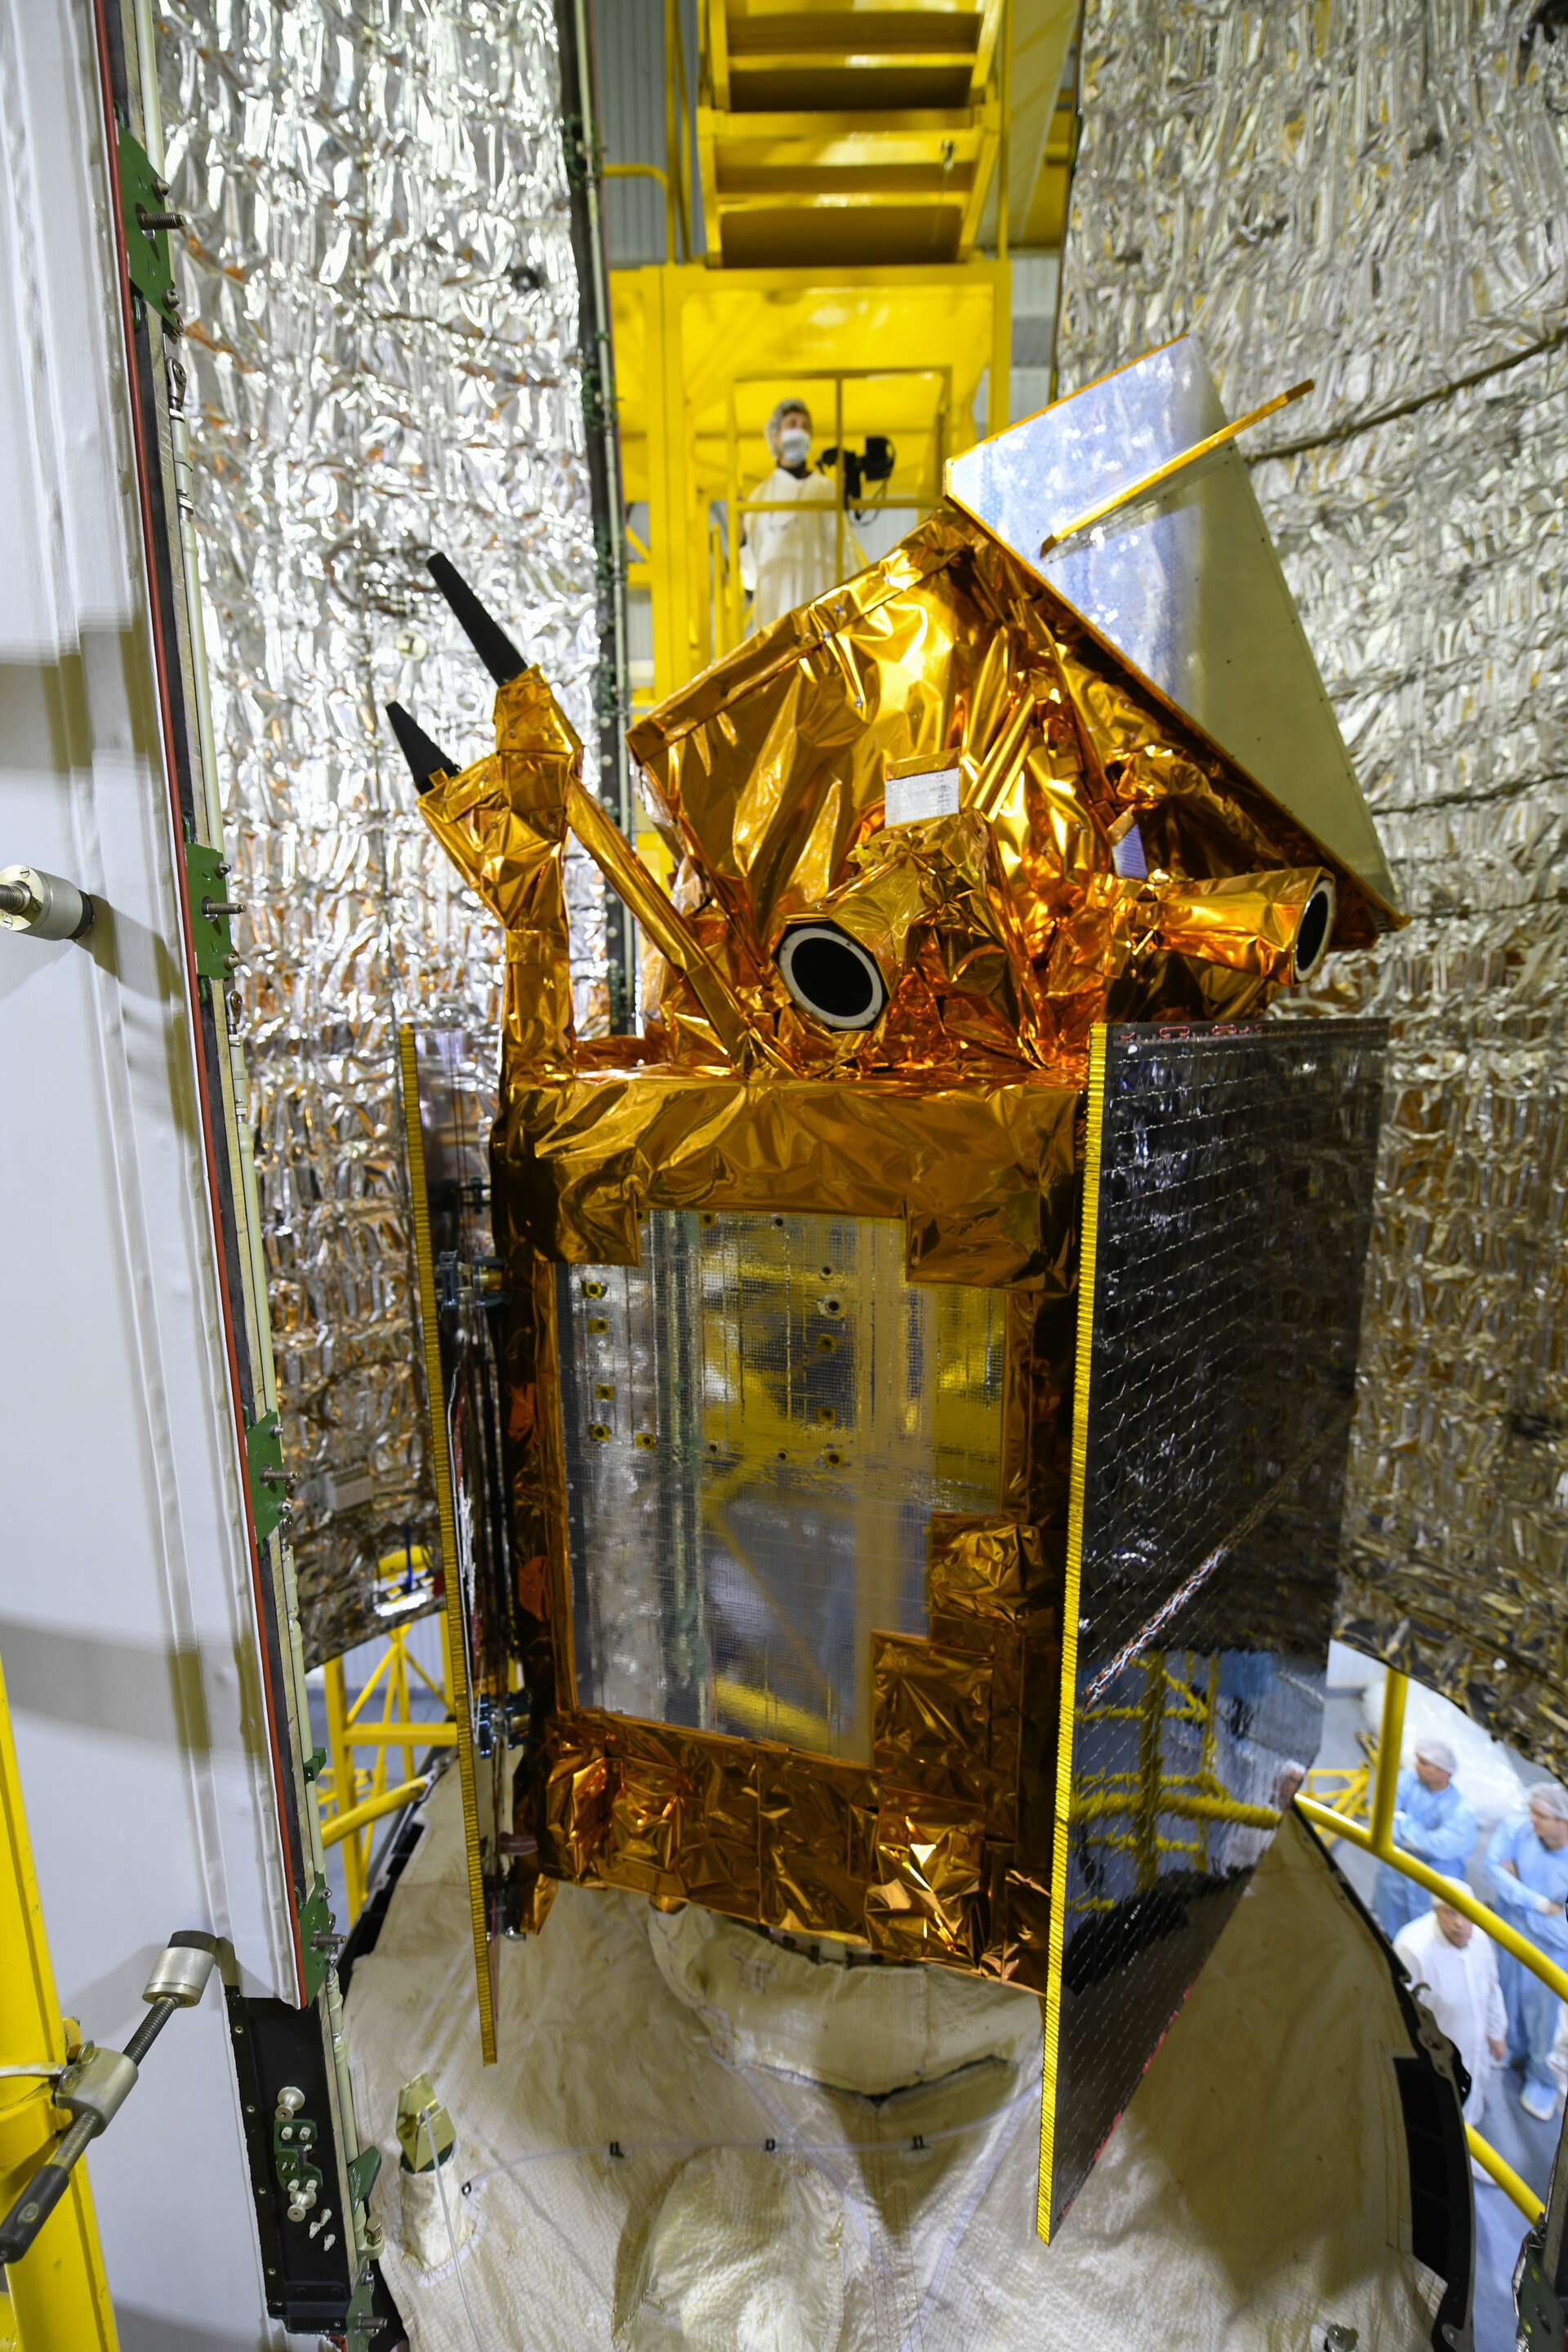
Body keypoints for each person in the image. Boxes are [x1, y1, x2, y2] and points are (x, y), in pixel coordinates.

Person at [1393, 1889, 1507, 2139]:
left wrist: (1496, 2033)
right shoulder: (1413, 1948)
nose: (1459, 1923)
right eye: (1449, 1912)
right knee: (1437, 2117)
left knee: (1470, 2102)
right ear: (1435, 1911)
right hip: (1437, 2061)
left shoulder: (1481, 1939)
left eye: (1466, 1914)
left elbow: (1491, 1988)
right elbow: (1396, 2014)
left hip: (1475, 2052)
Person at [1487, 1781, 1568, 2120]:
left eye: (1541, 1815)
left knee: (1544, 2020)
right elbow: (1492, 1868)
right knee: (1507, 1996)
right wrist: (1538, 1903)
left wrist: (1516, 1892)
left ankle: (1543, 2081)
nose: (1531, 1819)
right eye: (1532, 1811)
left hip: (1552, 1955)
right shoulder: (1518, 1829)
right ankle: (1512, 2048)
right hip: (1511, 1937)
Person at [739, 398, 838, 632]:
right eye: (792, 424)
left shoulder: (826, 490)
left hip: (820, 617)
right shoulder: (760, 498)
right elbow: (750, 577)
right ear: (776, 436)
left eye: (805, 426)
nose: (799, 430)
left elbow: (846, 555)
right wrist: (741, 534)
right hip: (776, 621)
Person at [1373, 1736, 1477, 1940]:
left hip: (1432, 1883)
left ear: (1444, 1772)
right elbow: (1382, 1817)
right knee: (1386, 1926)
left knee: (1425, 1937)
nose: (1416, 1766)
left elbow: (1440, 1846)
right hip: (1394, 1875)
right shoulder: (1406, 1780)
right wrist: (1422, 1837)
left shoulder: (1461, 1811)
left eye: (1424, 1763)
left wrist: (1402, 1822)